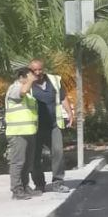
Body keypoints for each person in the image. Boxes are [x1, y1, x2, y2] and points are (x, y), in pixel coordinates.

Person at [28, 58, 74, 193]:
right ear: (30, 71)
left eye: (39, 69)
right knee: (34, 157)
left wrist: (70, 113)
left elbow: (63, 96)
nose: (37, 72)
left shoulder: (54, 80)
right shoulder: (27, 84)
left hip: (54, 125)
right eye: (34, 70)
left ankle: (58, 183)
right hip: (35, 128)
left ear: (44, 68)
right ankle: (39, 184)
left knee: (58, 153)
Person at [4, 67, 38, 200]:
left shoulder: (30, 94)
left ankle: (25, 187)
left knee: (27, 162)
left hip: (29, 132)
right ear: (22, 77)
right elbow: (22, 91)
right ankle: (16, 190)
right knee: (18, 162)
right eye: (30, 75)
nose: (33, 78)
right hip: (17, 133)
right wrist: (29, 81)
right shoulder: (15, 88)